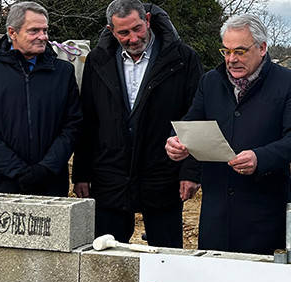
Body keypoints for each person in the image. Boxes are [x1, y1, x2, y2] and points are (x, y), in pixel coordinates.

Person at [165, 14, 291, 255]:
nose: (231, 59)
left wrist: (260, 158)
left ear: (262, 48)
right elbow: (191, 120)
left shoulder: (288, 82)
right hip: (216, 211)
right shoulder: (210, 81)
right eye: (226, 51)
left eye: (240, 51)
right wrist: (176, 140)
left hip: (264, 212)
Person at [72, 0, 203, 248]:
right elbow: (88, 121)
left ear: (148, 20)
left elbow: (195, 116)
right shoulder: (97, 61)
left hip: (163, 175)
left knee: (166, 258)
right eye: (124, 32)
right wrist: (81, 174)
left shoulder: (184, 59)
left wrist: (191, 171)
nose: (133, 38)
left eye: (138, 28)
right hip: (110, 176)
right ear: (111, 30)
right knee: (106, 260)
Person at [0, 1, 81, 199]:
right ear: (12, 32)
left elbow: (72, 125)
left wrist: (46, 168)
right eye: (34, 31)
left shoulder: (63, 72)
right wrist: (17, 170)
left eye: (45, 30)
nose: (43, 37)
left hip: (49, 184)